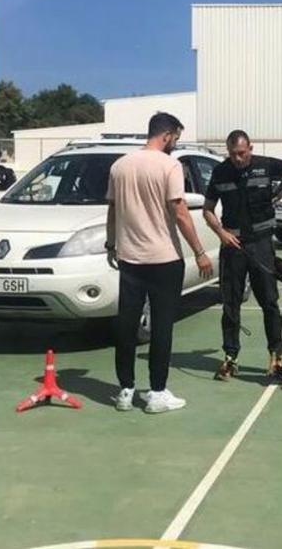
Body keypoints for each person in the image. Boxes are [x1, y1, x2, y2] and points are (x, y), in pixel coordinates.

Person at [106, 112, 214, 414]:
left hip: (129, 258)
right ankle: (156, 393)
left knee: (127, 324)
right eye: (175, 139)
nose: (175, 144)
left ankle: (125, 390)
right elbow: (179, 211)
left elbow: (112, 211)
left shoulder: (120, 166)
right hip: (164, 259)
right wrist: (199, 251)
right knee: (162, 327)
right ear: (166, 135)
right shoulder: (170, 166)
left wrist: (111, 244)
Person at [203, 130, 282, 381]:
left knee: (269, 301)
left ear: (251, 149)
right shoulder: (221, 172)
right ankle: (230, 358)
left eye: (242, 153)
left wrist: (279, 194)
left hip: (261, 244)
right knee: (231, 303)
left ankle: (275, 358)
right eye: (233, 154)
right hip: (233, 245)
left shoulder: (265, 166)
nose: (237, 158)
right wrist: (221, 233)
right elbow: (208, 210)